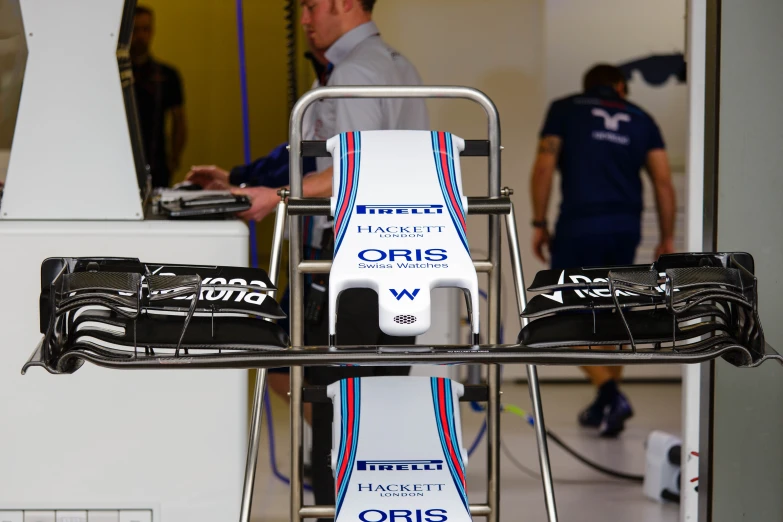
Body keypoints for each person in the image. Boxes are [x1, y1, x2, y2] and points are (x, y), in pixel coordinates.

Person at [186, 0, 429, 513]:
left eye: (312, 6)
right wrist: (247, 181)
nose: (303, 19)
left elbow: (356, 164)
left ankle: (346, 477)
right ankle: (355, 462)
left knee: (334, 399)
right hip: (381, 262)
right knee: (319, 387)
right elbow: (319, 153)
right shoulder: (389, 62)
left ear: (344, 3)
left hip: (350, 266)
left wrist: (276, 197)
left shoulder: (358, 72)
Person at [529, 63, 676, 437]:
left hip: (579, 225)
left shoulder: (565, 109)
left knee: (562, 316)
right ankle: (605, 402)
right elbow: (662, 181)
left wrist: (538, 223)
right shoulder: (641, 117)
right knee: (613, 316)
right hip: (623, 228)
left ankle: (609, 392)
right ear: (621, 87)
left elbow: (544, 167)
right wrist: (667, 237)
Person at [131, 5, 187, 188]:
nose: (140, 36)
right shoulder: (114, 74)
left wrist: (173, 161)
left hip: (157, 166)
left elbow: (179, 121)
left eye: (145, 29)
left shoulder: (167, 75)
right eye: (135, 30)